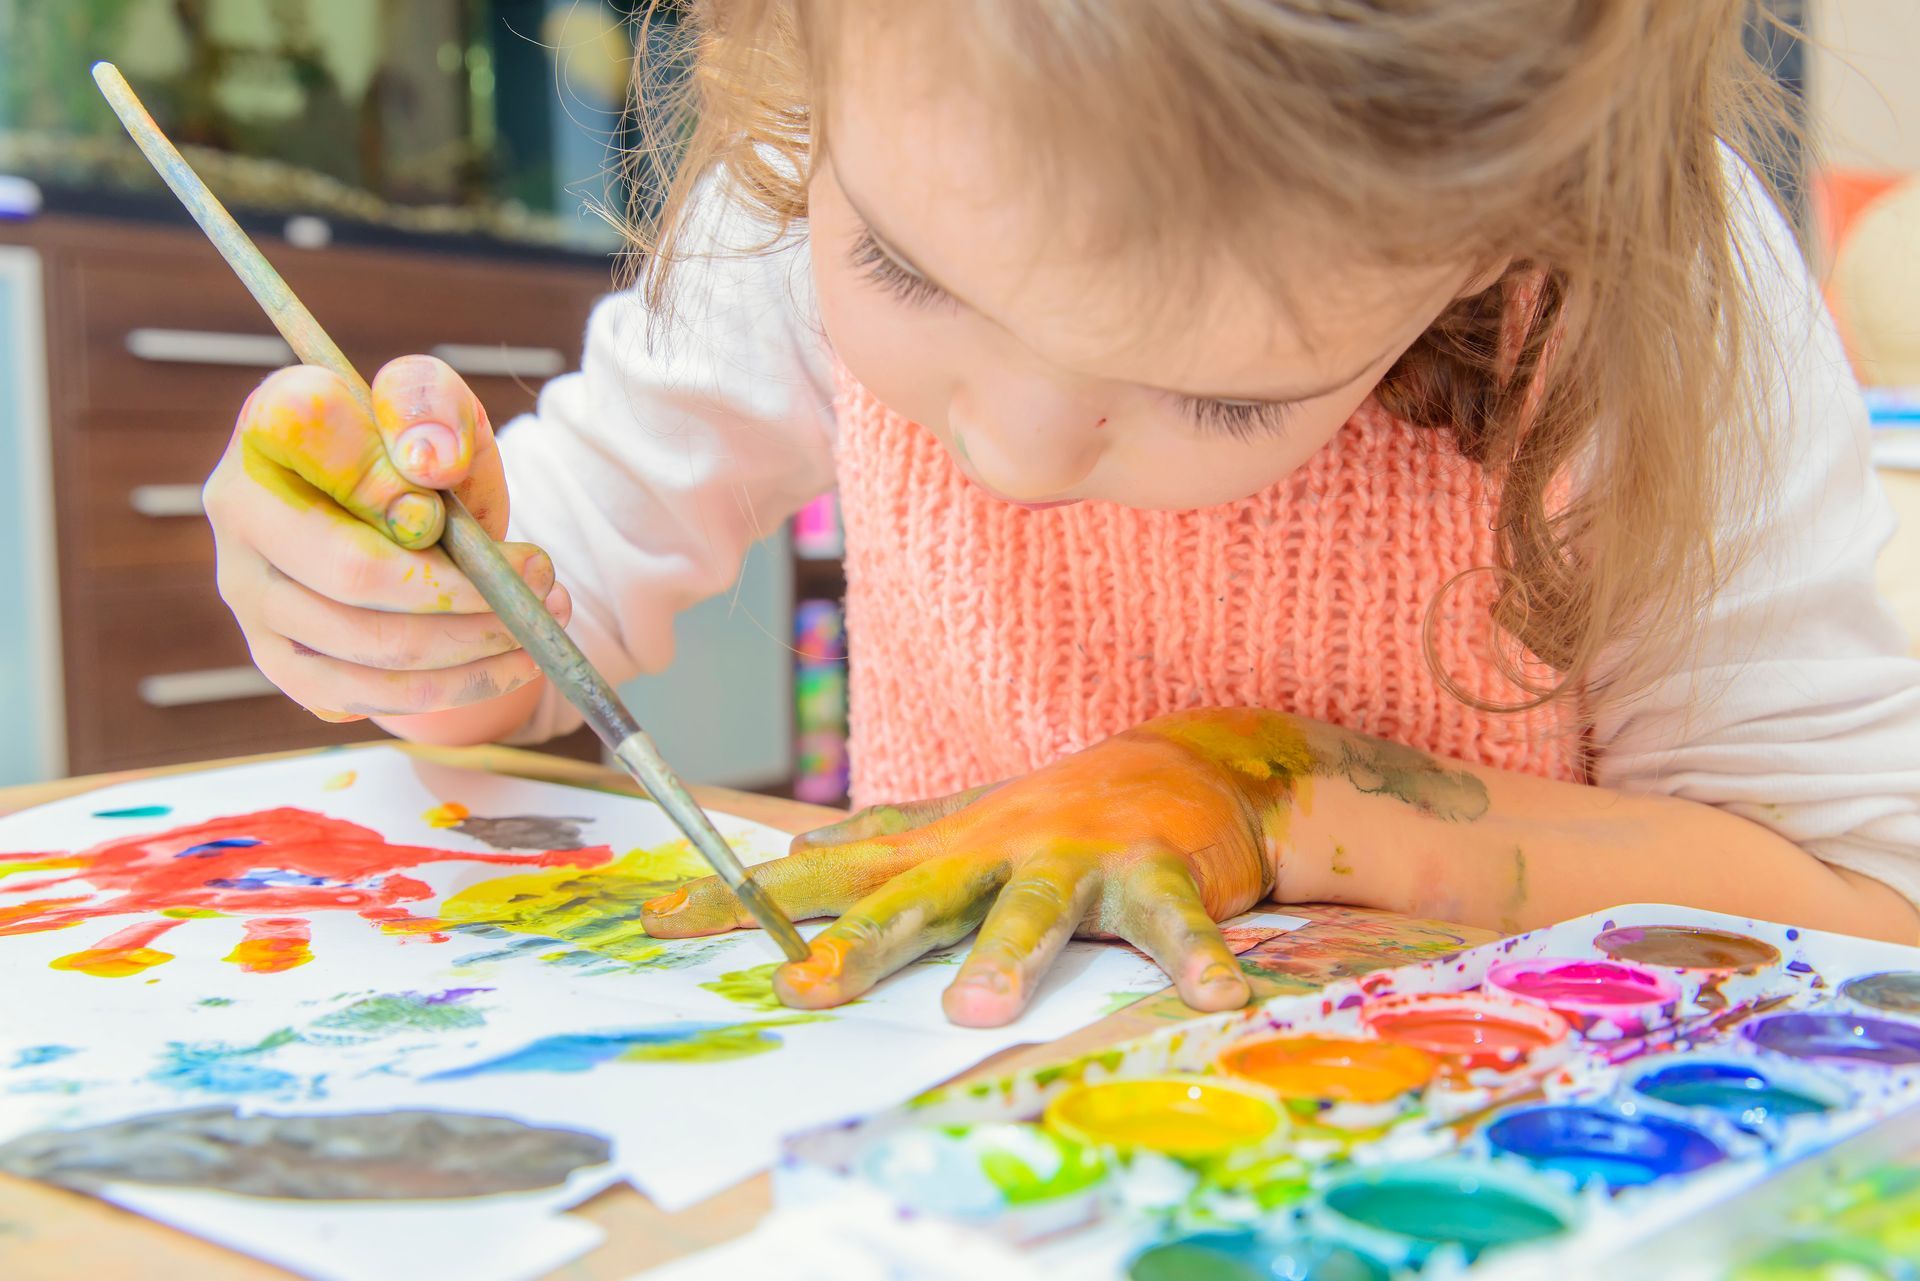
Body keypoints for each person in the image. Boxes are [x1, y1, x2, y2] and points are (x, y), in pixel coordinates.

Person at [202, 1, 1920, 1027]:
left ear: (1504, 235)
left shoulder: (1648, 307)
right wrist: (419, 596)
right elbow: (547, 623)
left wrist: (1273, 789)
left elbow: (1862, 913)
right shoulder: (834, 144)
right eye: (903, 268)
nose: (1011, 453)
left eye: (1227, 395)